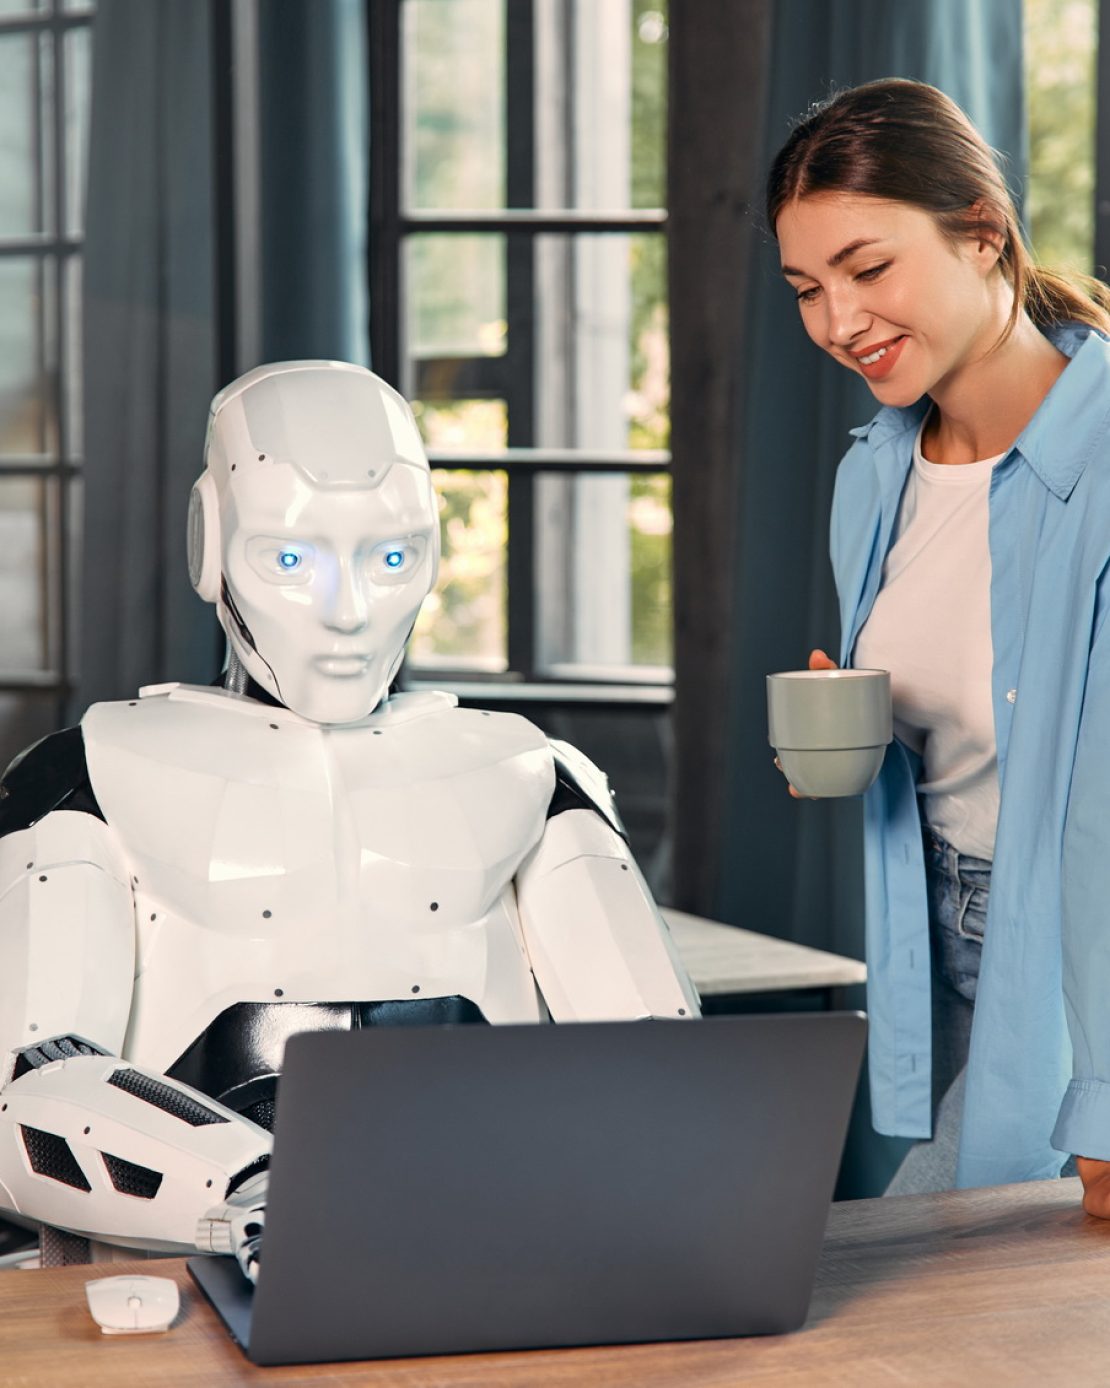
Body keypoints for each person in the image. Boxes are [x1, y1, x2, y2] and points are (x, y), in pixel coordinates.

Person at [0, 360, 699, 1279]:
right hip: (187, 1257)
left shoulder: (530, 769)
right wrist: (259, 1194)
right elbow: (35, 1083)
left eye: (391, 558)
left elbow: (668, 1067)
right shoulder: (85, 770)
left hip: (496, 1242)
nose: (347, 613)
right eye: (290, 559)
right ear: (211, 543)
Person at [766, 77, 1110, 1211]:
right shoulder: (874, 472)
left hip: (1076, 971)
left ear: (982, 233)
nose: (839, 321)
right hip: (946, 946)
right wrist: (864, 735)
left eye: (870, 269)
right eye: (808, 289)